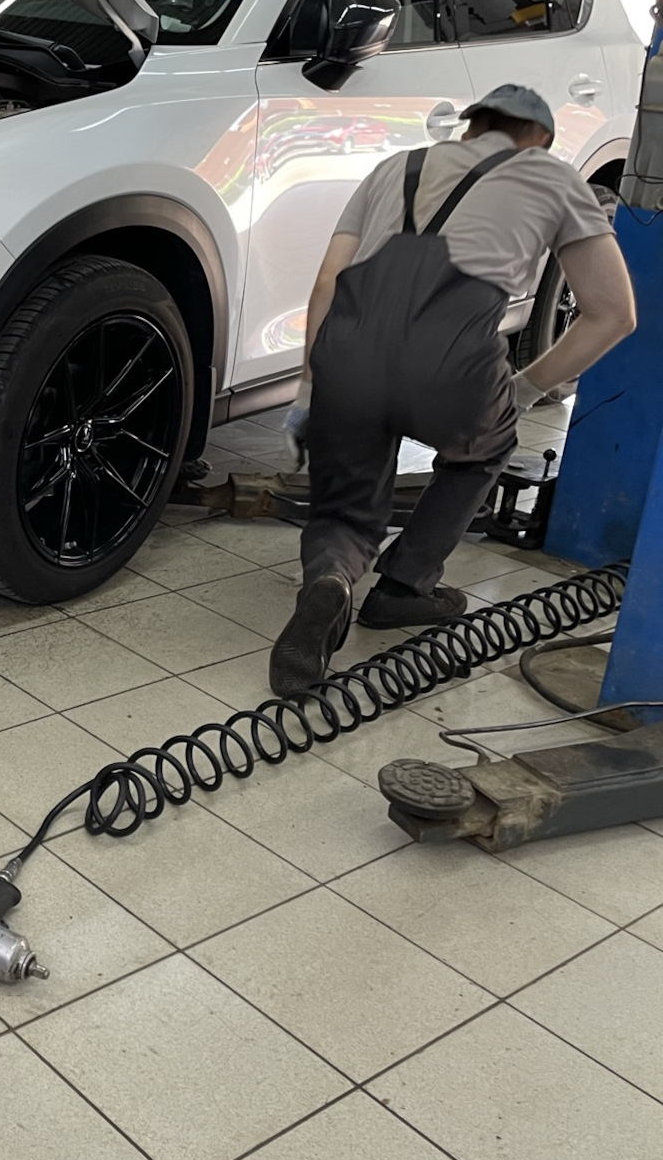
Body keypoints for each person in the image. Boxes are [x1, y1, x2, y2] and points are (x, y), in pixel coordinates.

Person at [269, 82, 637, 698]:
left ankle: (330, 581)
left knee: (345, 503)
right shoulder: (553, 178)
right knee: (484, 447)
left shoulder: (396, 167)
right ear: (539, 139)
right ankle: (404, 586)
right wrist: (523, 390)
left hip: (349, 354)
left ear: (471, 126)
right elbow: (614, 313)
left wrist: (310, 390)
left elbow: (329, 279)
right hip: (453, 364)